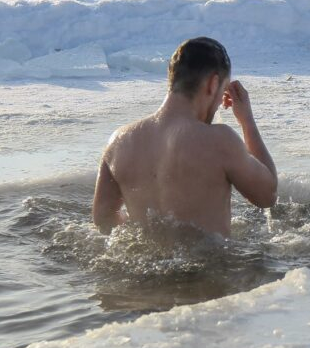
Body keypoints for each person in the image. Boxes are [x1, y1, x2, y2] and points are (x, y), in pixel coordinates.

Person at [92, 37, 277, 237]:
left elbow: (103, 218)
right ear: (213, 84)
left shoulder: (119, 141)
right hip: (212, 266)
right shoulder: (219, 140)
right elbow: (267, 195)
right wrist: (247, 122)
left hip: (147, 266)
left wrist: (149, 232)